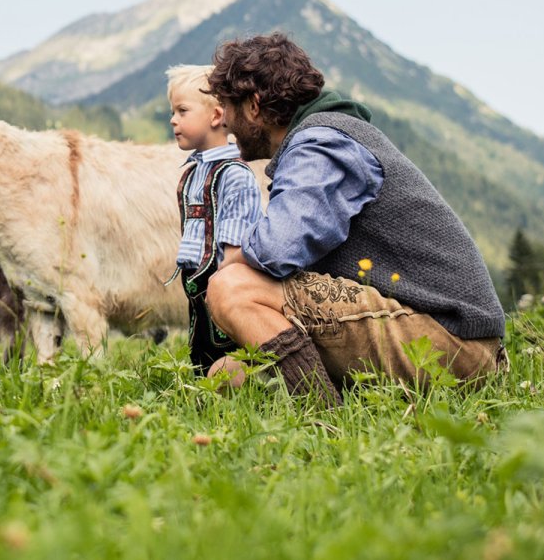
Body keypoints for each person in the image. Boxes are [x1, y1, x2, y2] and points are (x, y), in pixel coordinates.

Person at [203, 34, 506, 406]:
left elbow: (277, 248)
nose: (224, 123)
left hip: (451, 342)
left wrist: (232, 261)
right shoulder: (325, 138)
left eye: (227, 108)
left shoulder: (323, 144)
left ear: (253, 106)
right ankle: (336, 401)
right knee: (227, 377)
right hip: (439, 336)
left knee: (232, 287)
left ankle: (324, 420)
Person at [163, 65, 264, 379]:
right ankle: (203, 384)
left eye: (182, 111)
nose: (173, 120)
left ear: (217, 116)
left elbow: (236, 244)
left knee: (226, 344)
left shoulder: (234, 175)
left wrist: (223, 279)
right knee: (201, 342)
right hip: (196, 278)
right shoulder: (193, 173)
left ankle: (240, 387)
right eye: (173, 111)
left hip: (221, 280)